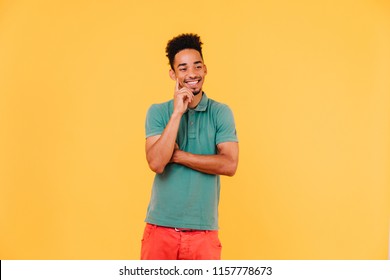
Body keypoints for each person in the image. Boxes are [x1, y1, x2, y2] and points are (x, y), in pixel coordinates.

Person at [141, 33, 239, 260]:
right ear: (173, 74)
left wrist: (179, 156)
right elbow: (156, 162)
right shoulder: (158, 112)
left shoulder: (220, 112)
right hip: (160, 229)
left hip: (204, 232)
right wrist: (177, 113)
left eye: (197, 66)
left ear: (205, 69)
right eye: (183, 68)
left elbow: (229, 164)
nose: (192, 74)